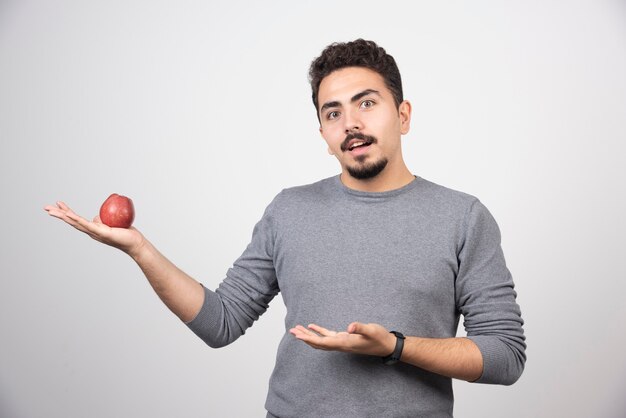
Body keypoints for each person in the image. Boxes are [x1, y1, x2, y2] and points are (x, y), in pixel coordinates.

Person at [45, 39, 526, 417]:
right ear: (323, 135)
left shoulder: (463, 216)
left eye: (366, 103)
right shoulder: (289, 210)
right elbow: (221, 322)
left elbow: (504, 356)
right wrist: (139, 249)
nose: (350, 123)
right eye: (333, 112)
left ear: (403, 115)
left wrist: (395, 347)